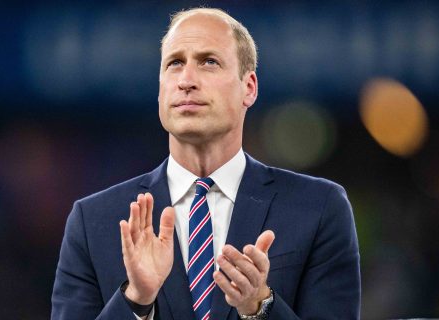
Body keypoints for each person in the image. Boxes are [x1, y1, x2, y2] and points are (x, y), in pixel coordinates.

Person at [51, 7, 360, 320]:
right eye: (175, 64)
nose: (186, 80)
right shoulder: (93, 222)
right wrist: (136, 301)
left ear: (249, 88)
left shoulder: (319, 208)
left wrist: (259, 306)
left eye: (209, 62)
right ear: (160, 92)